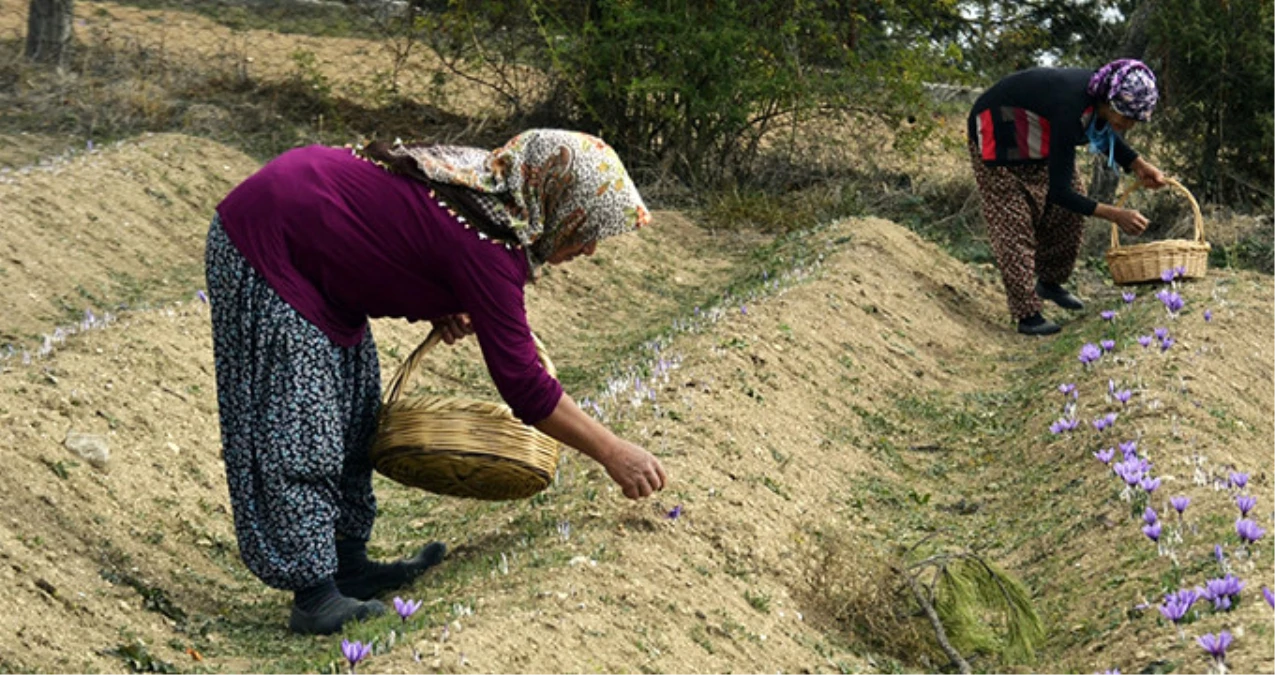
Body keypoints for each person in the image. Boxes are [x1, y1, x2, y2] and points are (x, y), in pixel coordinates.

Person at [205, 129, 669, 635]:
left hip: (315, 249)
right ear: (559, 206)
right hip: (269, 240)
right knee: (305, 422)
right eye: (587, 229)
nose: (591, 248)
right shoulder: (490, 243)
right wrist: (613, 452)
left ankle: (346, 566)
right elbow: (524, 386)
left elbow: (406, 236)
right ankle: (314, 595)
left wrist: (436, 298)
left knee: (357, 412)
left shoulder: (496, 199)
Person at [967, 59, 1168, 336]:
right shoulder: (1070, 106)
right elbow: (1060, 193)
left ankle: (1049, 283)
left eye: (1136, 120)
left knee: (1070, 213)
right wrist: (1115, 215)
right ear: (1109, 102)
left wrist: (1137, 164)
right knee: (1014, 223)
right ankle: (1028, 315)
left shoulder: (1097, 100)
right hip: (1000, 133)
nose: (1129, 125)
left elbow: (1106, 130)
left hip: (1040, 138)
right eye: (1126, 117)